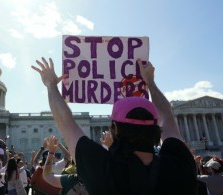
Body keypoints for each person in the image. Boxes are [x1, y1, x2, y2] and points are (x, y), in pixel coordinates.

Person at [32, 57, 197, 194]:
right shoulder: (180, 162)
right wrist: (150, 83)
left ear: (115, 128)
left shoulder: (102, 169)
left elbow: (65, 122)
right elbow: (167, 117)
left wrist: (51, 85)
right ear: (156, 128)